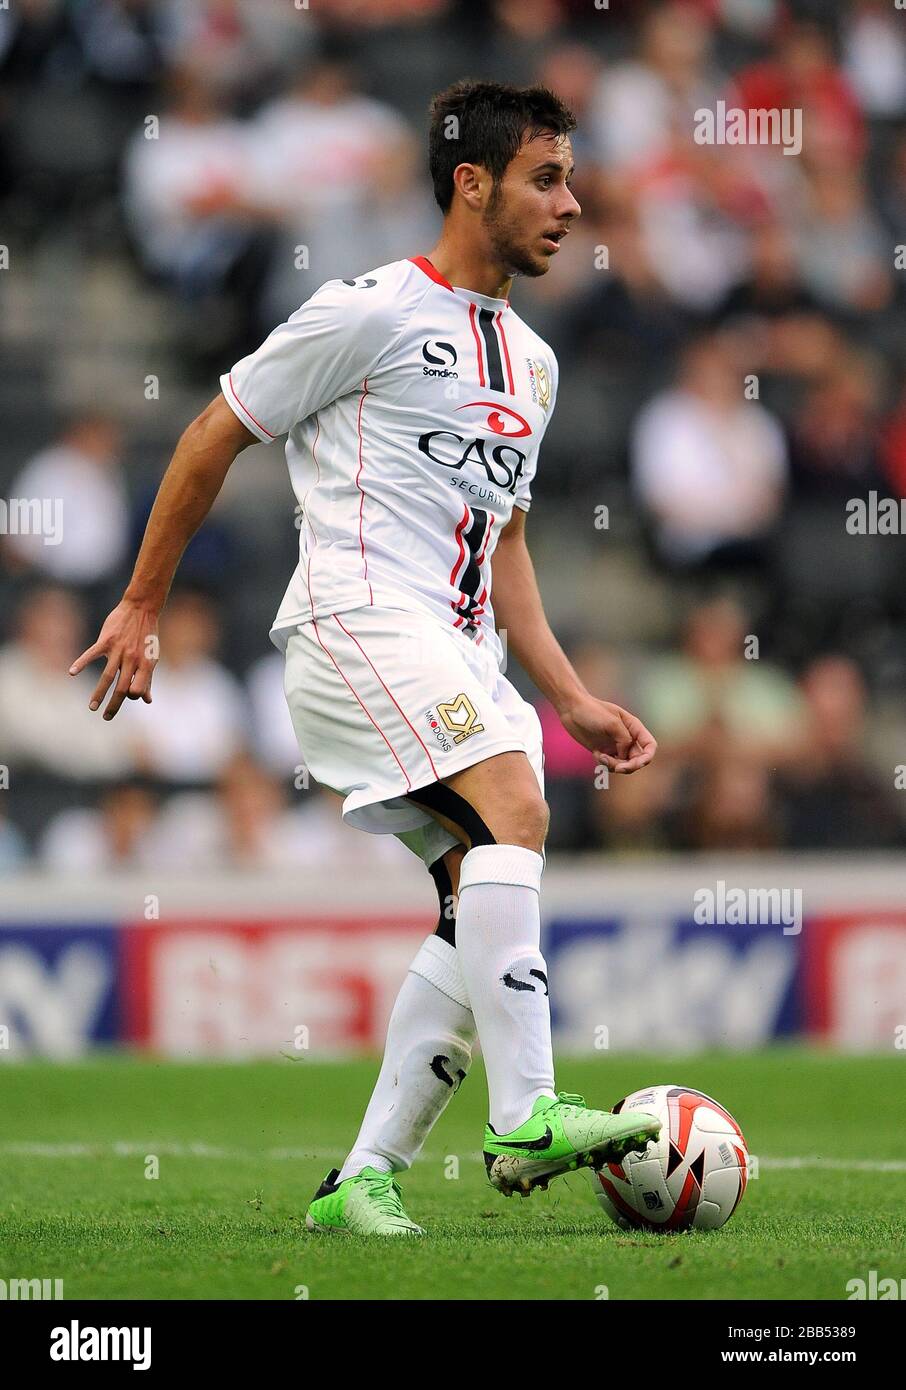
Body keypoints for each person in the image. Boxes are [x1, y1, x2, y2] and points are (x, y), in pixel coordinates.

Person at [70, 79, 661, 1237]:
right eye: (548, 178)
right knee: (515, 803)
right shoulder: (369, 310)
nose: (573, 203)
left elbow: (510, 549)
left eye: (573, 178)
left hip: (457, 648)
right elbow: (212, 431)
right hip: (355, 625)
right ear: (472, 183)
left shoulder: (532, 365)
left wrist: (573, 694)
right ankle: (530, 1110)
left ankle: (362, 1180)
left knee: (470, 900)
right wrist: (143, 601)